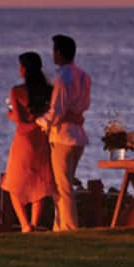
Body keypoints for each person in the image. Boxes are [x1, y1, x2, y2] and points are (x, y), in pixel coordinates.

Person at [39, 33, 91, 231]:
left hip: (63, 137)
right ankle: (59, 225)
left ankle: (69, 227)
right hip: (78, 137)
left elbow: (57, 111)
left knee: (62, 185)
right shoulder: (84, 76)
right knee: (64, 183)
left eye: (54, 50)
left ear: (59, 53)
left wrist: (39, 121)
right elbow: (84, 104)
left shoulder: (63, 77)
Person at [0, 52, 56, 232]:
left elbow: (20, 120)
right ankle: (34, 222)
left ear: (24, 69)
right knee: (39, 181)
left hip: (24, 140)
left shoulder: (17, 92)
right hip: (41, 138)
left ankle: (25, 225)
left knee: (14, 183)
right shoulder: (48, 90)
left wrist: (10, 114)